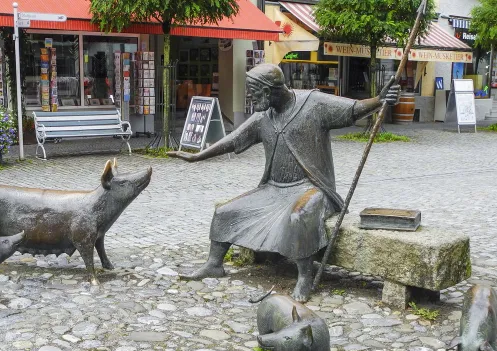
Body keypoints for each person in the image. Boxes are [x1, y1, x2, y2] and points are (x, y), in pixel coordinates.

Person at [168, 63, 398, 301]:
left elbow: (352, 109)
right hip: (273, 190)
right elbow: (235, 139)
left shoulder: (314, 104)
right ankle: (214, 264)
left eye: (253, 92)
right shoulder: (264, 117)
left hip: (312, 189)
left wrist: (379, 100)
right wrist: (197, 156)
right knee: (225, 211)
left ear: (268, 91)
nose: (250, 97)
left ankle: (304, 277)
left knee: (299, 217)